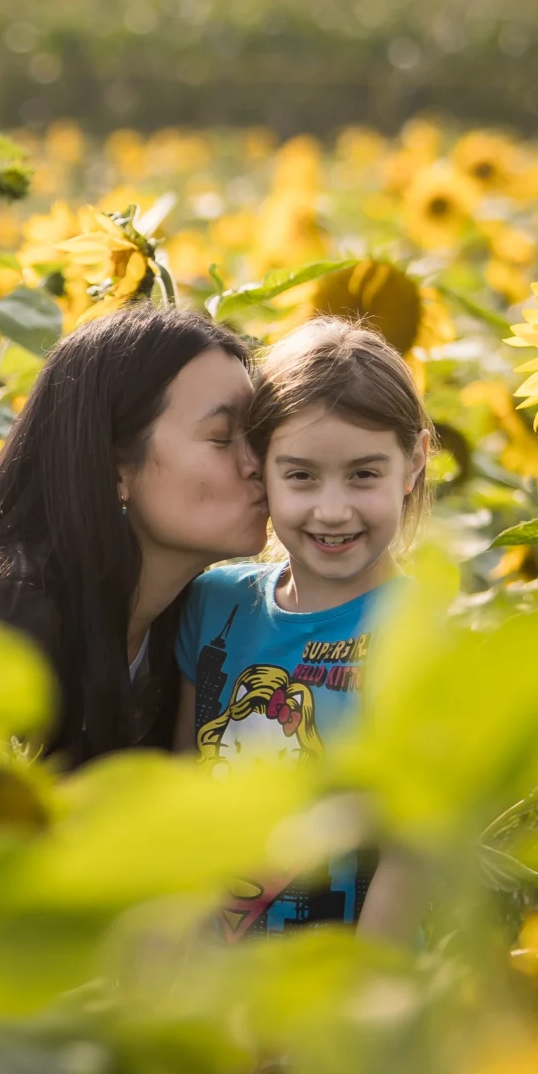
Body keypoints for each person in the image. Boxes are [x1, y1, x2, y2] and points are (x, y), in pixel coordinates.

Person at [0, 304, 265, 767]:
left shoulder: (193, 636)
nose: (259, 463)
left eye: (259, 436)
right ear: (113, 465)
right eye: (222, 436)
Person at [175, 317, 429, 935]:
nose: (332, 509)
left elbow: (414, 851)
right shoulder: (214, 606)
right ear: (260, 468)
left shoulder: (416, 634)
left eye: (364, 475)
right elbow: (184, 790)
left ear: (415, 461)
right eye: (302, 476)